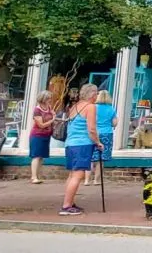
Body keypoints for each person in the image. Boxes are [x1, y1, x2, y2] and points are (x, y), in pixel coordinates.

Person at [60, 83, 102, 216]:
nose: (97, 97)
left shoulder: (75, 106)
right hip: (82, 144)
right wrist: (98, 142)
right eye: (96, 94)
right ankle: (66, 206)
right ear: (93, 95)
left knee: (72, 174)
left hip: (70, 143)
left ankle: (70, 202)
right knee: (79, 175)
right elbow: (91, 128)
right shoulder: (90, 107)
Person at [85, 89, 117, 185]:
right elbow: (115, 123)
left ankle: (87, 180)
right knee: (101, 159)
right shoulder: (111, 109)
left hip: (93, 132)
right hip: (107, 133)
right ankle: (96, 180)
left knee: (90, 157)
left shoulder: (93, 107)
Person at [29, 91, 54, 183]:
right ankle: (33, 177)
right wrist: (52, 120)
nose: (50, 100)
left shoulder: (49, 108)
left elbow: (53, 115)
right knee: (36, 156)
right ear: (43, 99)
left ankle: (37, 176)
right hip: (37, 135)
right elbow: (41, 125)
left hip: (46, 135)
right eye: (48, 98)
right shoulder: (37, 110)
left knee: (41, 157)